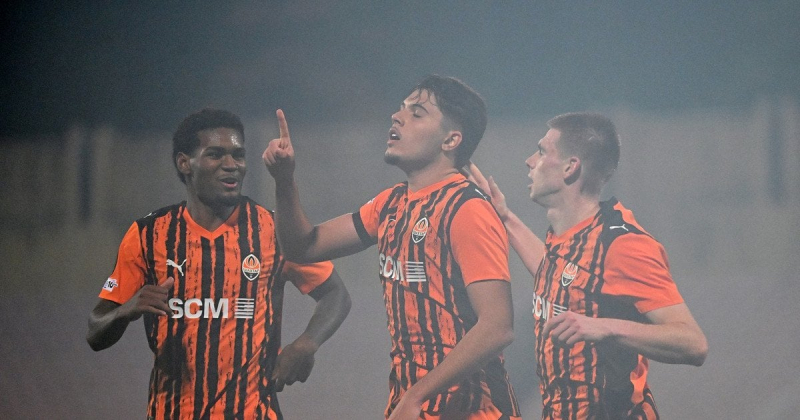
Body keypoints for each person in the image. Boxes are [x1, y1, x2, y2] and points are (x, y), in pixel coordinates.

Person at [262, 75, 520, 420]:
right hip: (413, 406)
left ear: (451, 140)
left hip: (473, 411)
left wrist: (416, 396)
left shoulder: (467, 208)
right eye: (401, 109)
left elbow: (497, 327)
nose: (397, 117)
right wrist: (283, 180)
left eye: (417, 113)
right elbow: (303, 247)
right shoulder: (391, 204)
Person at [86, 108, 351, 419]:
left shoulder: (272, 231)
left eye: (238, 155)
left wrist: (306, 344)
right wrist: (126, 310)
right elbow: (96, 331)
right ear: (184, 163)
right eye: (215, 154)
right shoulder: (149, 234)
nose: (231, 165)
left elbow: (336, 294)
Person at [465, 112, 708, 419]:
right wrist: (505, 217)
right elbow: (564, 280)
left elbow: (693, 343)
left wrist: (603, 326)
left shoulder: (622, 244)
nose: (530, 161)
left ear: (570, 167)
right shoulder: (569, 235)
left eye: (541, 152)